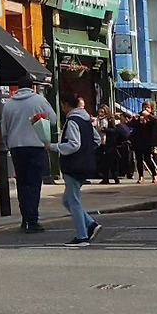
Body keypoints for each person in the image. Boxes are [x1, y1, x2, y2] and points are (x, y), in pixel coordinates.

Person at [0, 83, 56, 233]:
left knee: (22, 184)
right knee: (34, 184)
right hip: (36, 146)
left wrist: (9, 143)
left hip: (16, 147)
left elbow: (4, 130)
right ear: (32, 87)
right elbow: (53, 119)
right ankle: (33, 219)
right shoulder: (39, 100)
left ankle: (25, 218)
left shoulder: (9, 104)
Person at [49, 91, 100, 246]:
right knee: (67, 200)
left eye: (62, 105)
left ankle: (82, 236)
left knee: (74, 202)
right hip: (85, 164)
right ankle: (91, 224)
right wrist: (87, 151)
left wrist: (53, 147)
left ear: (66, 105)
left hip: (73, 165)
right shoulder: (86, 120)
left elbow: (73, 144)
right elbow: (97, 139)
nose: (62, 109)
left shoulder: (72, 121)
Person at [131, 102, 157, 183]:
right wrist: (136, 120)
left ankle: (154, 175)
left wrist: (147, 119)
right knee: (139, 159)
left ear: (151, 108)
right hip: (138, 140)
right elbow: (132, 125)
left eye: (148, 107)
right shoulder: (139, 115)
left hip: (148, 141)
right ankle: (141, 176)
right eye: (144, 107)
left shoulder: (152, 116)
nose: (145, 109)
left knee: (148, 159)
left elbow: (156, 124)